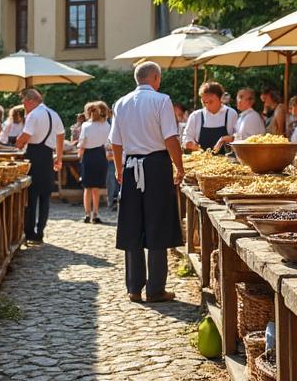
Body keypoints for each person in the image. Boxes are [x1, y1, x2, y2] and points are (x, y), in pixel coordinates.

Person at [110, 62, 185, 302]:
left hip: (131, 166)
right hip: (156, 166)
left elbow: (116, 143)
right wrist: (179, 167)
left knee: (133, 225)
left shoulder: (120, 103)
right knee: (157, 224)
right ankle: (155, 289)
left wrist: (118, 169)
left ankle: (134, 288)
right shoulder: (161, 100)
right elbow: (170, 138)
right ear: (155, 77)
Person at [15, 89, 63, 244]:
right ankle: (40, 231)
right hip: (47, 156)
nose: (23, 106)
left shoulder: (33, 115)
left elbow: (26, 136)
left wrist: (18, 142)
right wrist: (59, 157)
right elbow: (61, 135)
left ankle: (30, 232)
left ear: (30, 101)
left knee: (31, 196)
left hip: (34, 156)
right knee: (45, 197)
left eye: (23, 103)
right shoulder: (53, 113)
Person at [78, 101, 111, 224]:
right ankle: (95, 213)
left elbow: (82, 143)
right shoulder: (106, 125)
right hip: (100, 155)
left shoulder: (86, 125)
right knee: (96, 187)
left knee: (87, 187)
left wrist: (79, 153)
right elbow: (108, 143)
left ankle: (87, 213)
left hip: (88, 155)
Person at [183, 81, 238, 151]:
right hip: (200, 160)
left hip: (227, 159)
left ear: (220, 98)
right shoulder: (195, 116)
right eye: (204, 102)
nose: (207, 105)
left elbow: (240, 137)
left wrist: (231, 138)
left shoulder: (231, 114)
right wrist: (189, 144)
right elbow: (186, 138)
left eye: (210, 102)